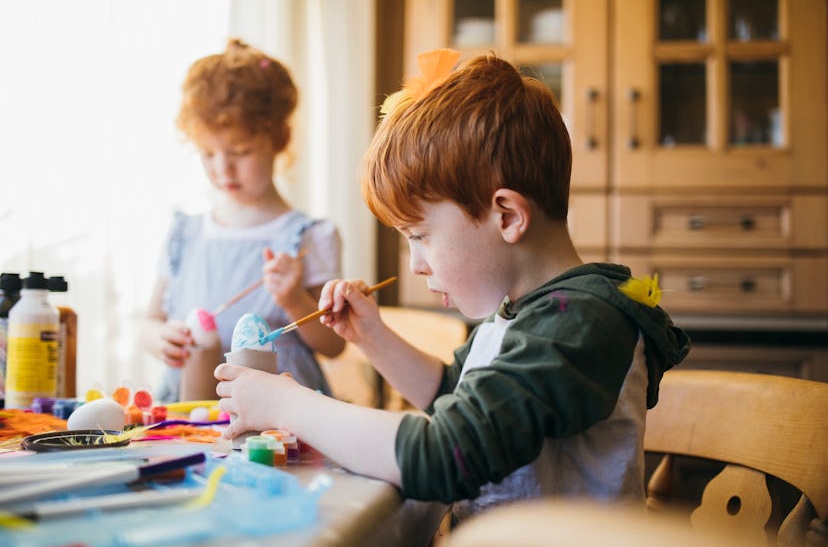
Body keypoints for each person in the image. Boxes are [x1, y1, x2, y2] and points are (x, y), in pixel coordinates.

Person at [214, 49, 690, 522]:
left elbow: (445, 453)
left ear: (506, 216)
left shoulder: (580, 322)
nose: (416, 264)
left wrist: (288, 405)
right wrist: (370, 336)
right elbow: (451, 395)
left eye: (419, 236)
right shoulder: (524, 312)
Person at [142, 39, 345, 403]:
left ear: (279, 139)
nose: (223, 169)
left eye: (240, 152)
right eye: (208, 153)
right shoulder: (184, 234)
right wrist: (159, 339)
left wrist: (295, 299)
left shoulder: (307, 236)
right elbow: (149, 322)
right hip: (190, 411)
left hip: (279, 416)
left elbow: (333, 345)